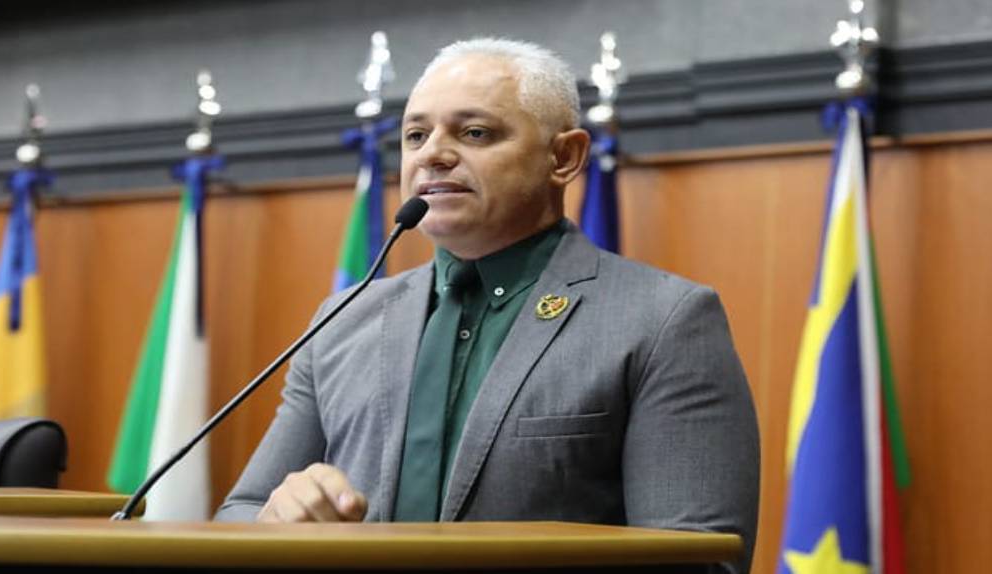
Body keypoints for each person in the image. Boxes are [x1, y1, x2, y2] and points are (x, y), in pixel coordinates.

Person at [216, 38, 760, 573]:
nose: (432, 154)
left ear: (564, 157)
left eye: (474, 132)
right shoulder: (345, 320)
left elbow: (700, 559)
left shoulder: (663, 320)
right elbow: (239, 514)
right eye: (415, 135)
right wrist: (280, 518)